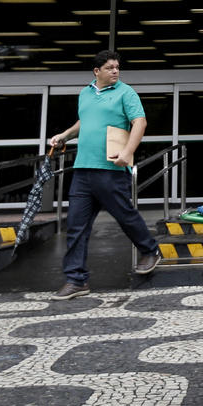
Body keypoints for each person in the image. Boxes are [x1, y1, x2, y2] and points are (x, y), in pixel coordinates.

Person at [48, 50, 161, 299]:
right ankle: (76, 279)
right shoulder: (85, 93)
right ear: (96, 71)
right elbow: (83, 121)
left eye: (117, 67)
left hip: (111, 168)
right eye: (110, 68)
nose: (115, 71)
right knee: (76, 226)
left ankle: (150, 250)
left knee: (124, 215)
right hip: (82, 169)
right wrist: (64, 136)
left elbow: (139, 123)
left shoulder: (125, 92)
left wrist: (128, 153)